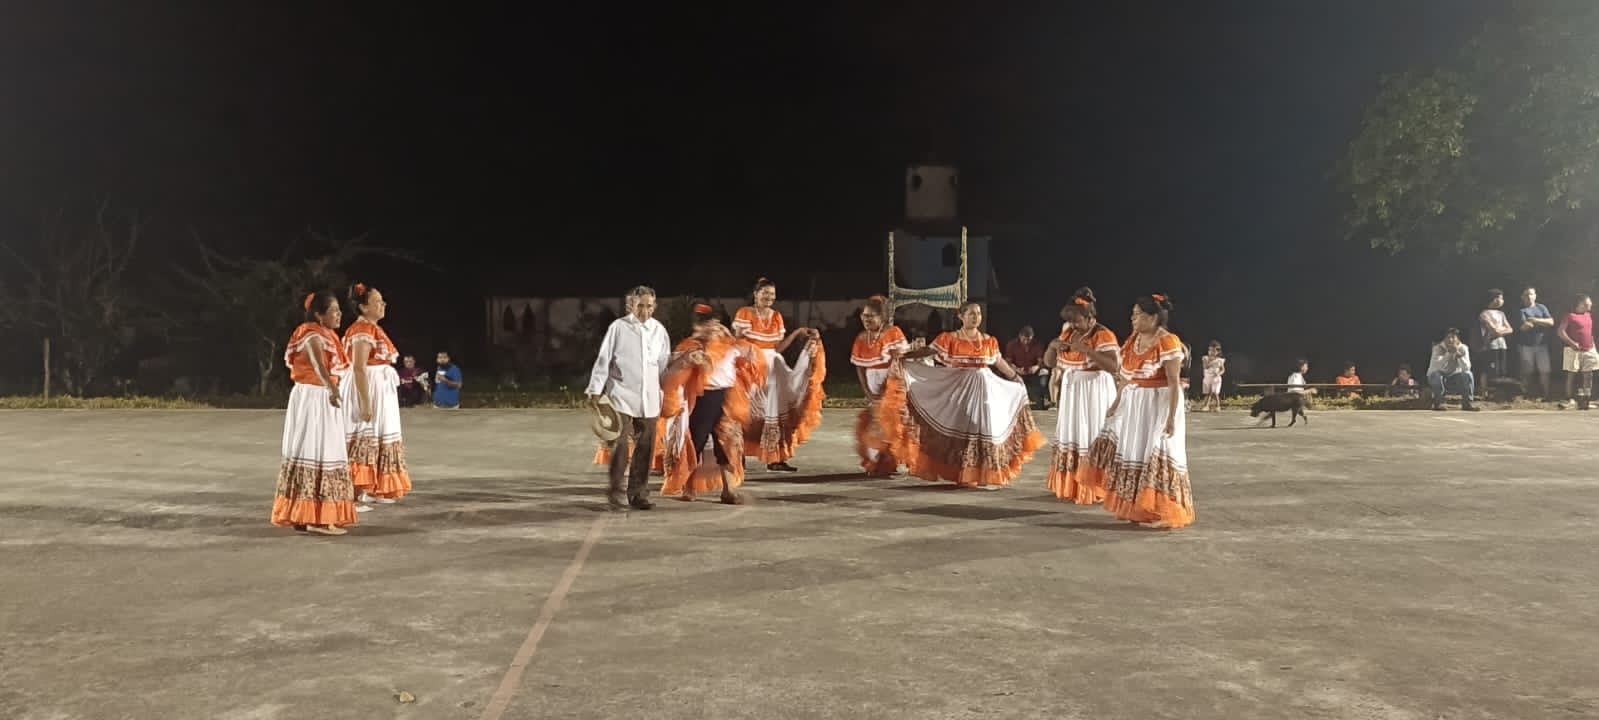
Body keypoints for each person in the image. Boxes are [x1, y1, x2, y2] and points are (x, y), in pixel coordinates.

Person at [881, 301, 1045, 489]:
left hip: (984, 389)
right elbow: (928, 351)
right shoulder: (949, 339)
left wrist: (1015, 377)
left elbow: (998, 361)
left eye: (978, 313)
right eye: (971, 313)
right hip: (959, 388)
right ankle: (965, 472)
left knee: (985, 427)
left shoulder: (988, 340)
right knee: (964, 427)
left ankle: (986, 472)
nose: (976, 317)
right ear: (961, 316)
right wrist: (906, 356)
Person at [1080, 293, 1194, 530]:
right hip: (1136, 402)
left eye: (1138, 315)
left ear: (1152, 318)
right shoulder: (1133, 340)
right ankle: (1137, 508)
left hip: (1159, 402)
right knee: (1135, 451)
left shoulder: (1168, 342)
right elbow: (1125, 377)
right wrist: (1116, 402)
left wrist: (1171, 418)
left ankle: (1161, 510)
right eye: (1133, 314)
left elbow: (1174, 382)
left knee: (1157, 452)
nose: (1133, 319)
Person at [271, 291, 357, 536]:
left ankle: (305, 515)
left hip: (316, 395)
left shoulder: (325, 334)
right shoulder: (311, 333)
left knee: (315, 449)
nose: (339, 314)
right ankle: (318, 519)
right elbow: (318, 364)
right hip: (315, 397)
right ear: (319, 315)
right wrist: (331, 388)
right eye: (334, 310)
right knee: (319, 449)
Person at [658, 303, 762, 504]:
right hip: (701, 399)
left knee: (729, 444)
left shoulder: (729, 345)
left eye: (715, 323)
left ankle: (728, 490)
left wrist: (733, 338)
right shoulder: (689, 347)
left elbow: (752, 356)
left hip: (726, 398)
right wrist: (689, 360)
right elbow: (670, 373)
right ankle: (688, 488)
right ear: (697, 326)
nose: (713, 327)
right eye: (707, 324)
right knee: (695, 443)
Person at [586, 285, 672, 511]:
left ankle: (638, 494)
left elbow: (663, 364)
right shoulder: (619, 327)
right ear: (630, 305)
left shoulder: (659, 330)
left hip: (649, 398)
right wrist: (595, 390)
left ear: (655, 306)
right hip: (621, 395)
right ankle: (615, 491)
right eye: (640, 306)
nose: (645, 311)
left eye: (649, 306)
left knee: (646, 447)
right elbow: (604, 359)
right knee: (621, 444)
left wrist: (666, 393)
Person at [732, 277, 825, 473]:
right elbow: (738, 343)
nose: (769, 297)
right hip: (750, 367)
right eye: (765, 293)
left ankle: (776, 458)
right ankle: (737, 457)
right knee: (747, 412)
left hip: (774, 367)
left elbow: (777, 348)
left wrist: (797, 333)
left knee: (777, 408)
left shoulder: (776, 317)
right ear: (755, 294)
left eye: (772, 294)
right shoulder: (745, 313)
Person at [1047, 288, 1120, 504]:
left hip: (1094, 389)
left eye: (1077, 321)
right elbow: (1050, 362)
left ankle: (1096, 484)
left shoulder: (1103, 335)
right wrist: (1052, 346)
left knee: (1092, 432)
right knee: (1074, 433)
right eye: (1070, 321)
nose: (1073, 325)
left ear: (1090, 318)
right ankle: (1074, 483)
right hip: (1073, 390)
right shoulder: (1069, 333)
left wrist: (1088, 351)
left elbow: (1114, 366)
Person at [342, 283, 412, 507]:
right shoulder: (362, 330)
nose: (383, 305)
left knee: (380, 435)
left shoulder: (372, 328)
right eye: (378, 302)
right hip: (368, 386)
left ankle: (372, 488)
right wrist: (365, 402)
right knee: (364, 435)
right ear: (364, 307)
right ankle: (352, 495)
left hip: (380, 388)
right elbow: (359, 367)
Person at [850, 295, 909, 477]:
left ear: (882, 317)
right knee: (875, 421)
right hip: (872, 382)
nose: (866, 319)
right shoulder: (861, 338)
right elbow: (860, 367)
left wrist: (887, 386)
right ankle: (877, 462)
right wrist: (868, 391)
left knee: (890, 422)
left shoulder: (893, 333)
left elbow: (898, 361)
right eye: (864, 316)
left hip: (892, 382)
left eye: (871, 316)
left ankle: (886, 462)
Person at [1557, 294, 1597, 410]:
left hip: (1589, 349)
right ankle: (1569, 399)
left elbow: (1590, 332)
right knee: (1571, 374)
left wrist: (1593, 346)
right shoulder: (1570, 316)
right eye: (1588, 302)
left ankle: (1585, 400)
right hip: (1573, 350)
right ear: (1581, 303)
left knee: (1588, 375)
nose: (1591, 304)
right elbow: (1560, 332)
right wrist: (1572, 343)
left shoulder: (1589, 315)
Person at [1427, 328, 1479, 411]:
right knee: (1436, 375)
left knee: (1468, 374)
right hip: (1438, 377)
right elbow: (1437, 367)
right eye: (1448, 337)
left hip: (1454, 378)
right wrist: (1448, 354)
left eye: (1453, 337)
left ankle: (1467, 403)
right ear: (1444, 339)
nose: (1450, 340)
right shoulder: (1438, 348)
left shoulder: (1463, 348)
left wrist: (1459, 356)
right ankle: (1439, 403)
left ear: (1457, 339)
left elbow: (1466, 368)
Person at [1517, 287, 1554, 401]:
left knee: (1545, 370)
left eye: (1531, 294)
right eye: (1526, 295)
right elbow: (1524, 327)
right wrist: (1541, 322)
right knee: (1527, 371)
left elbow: (1551, 322)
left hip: (1542, 345)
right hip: (1526, 345)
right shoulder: (1521, 310)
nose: (1529, 297)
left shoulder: (1541, 307)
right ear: (1522, 297)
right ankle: (1525, 394)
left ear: (1535, 295)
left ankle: (1546, 395)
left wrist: (1535, 320)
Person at [1478, 289, 1514, 397]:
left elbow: (1510, 329)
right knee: (1488, 369)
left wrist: (1500, 331)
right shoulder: (1484, 314)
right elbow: (1493, 330)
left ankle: (1498, 392)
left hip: (1502, 345)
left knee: (1501, 369)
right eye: (1501, 298)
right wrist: (1501, 330)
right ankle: (1485, 392)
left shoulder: (1501, 313)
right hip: (1490, 346)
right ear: (1494, 299)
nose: (1502, 300)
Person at [1004, 326, 1046, 408]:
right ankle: (1013, 404)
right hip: (1017, 371)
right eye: (1024, 339)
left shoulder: (1038, 344)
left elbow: (1041, 360)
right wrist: (1016, 369)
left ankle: (1039, 403)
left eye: (1029, 340)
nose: (1026, 342)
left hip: (1033, 371)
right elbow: (1008, 362)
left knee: (1043, 375)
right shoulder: (1012, 344)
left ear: (1032, 337)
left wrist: (1036, 367)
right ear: (1020, 336)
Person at [1200, 340, 1225, 412]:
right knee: (1208, 393)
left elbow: (1223, 369)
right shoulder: (1205, 358)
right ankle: (1207, 406)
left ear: (1217, 352)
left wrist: (1219, 373)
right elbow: (1205, 367)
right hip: (1207, 378)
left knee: (1214, 392)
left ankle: (1217, 406)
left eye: (1214, 351)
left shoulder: (1220, 360)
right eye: (1210, 350)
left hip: (1215, 378)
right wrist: (1212, 361)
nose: (1211, 352)